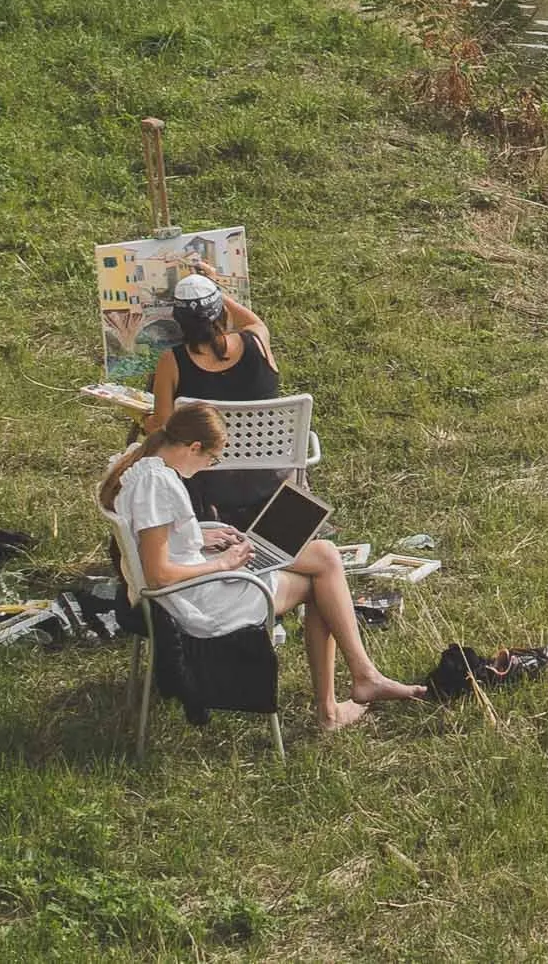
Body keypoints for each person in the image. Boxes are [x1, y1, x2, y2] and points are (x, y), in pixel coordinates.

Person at [100, 402, 425, 732]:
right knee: (320, 587)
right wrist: (223, 564)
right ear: (194, 447)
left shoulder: (142, 465)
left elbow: (154, 538)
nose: (208, 467)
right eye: (211, 460)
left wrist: (199, 533)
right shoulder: (157, 485)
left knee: (325, 555)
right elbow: (159, 575)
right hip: (195, 601)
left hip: (191, 585)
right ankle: (339, 702)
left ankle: (361, 678)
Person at [150, 272, 284, 523]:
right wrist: (217, 290)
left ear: (179, 321)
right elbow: (255, 322)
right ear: (221, 310)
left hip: (205, 477)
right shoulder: (258, 340)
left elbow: (162, 429)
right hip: (267, 470)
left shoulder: (172, 362)